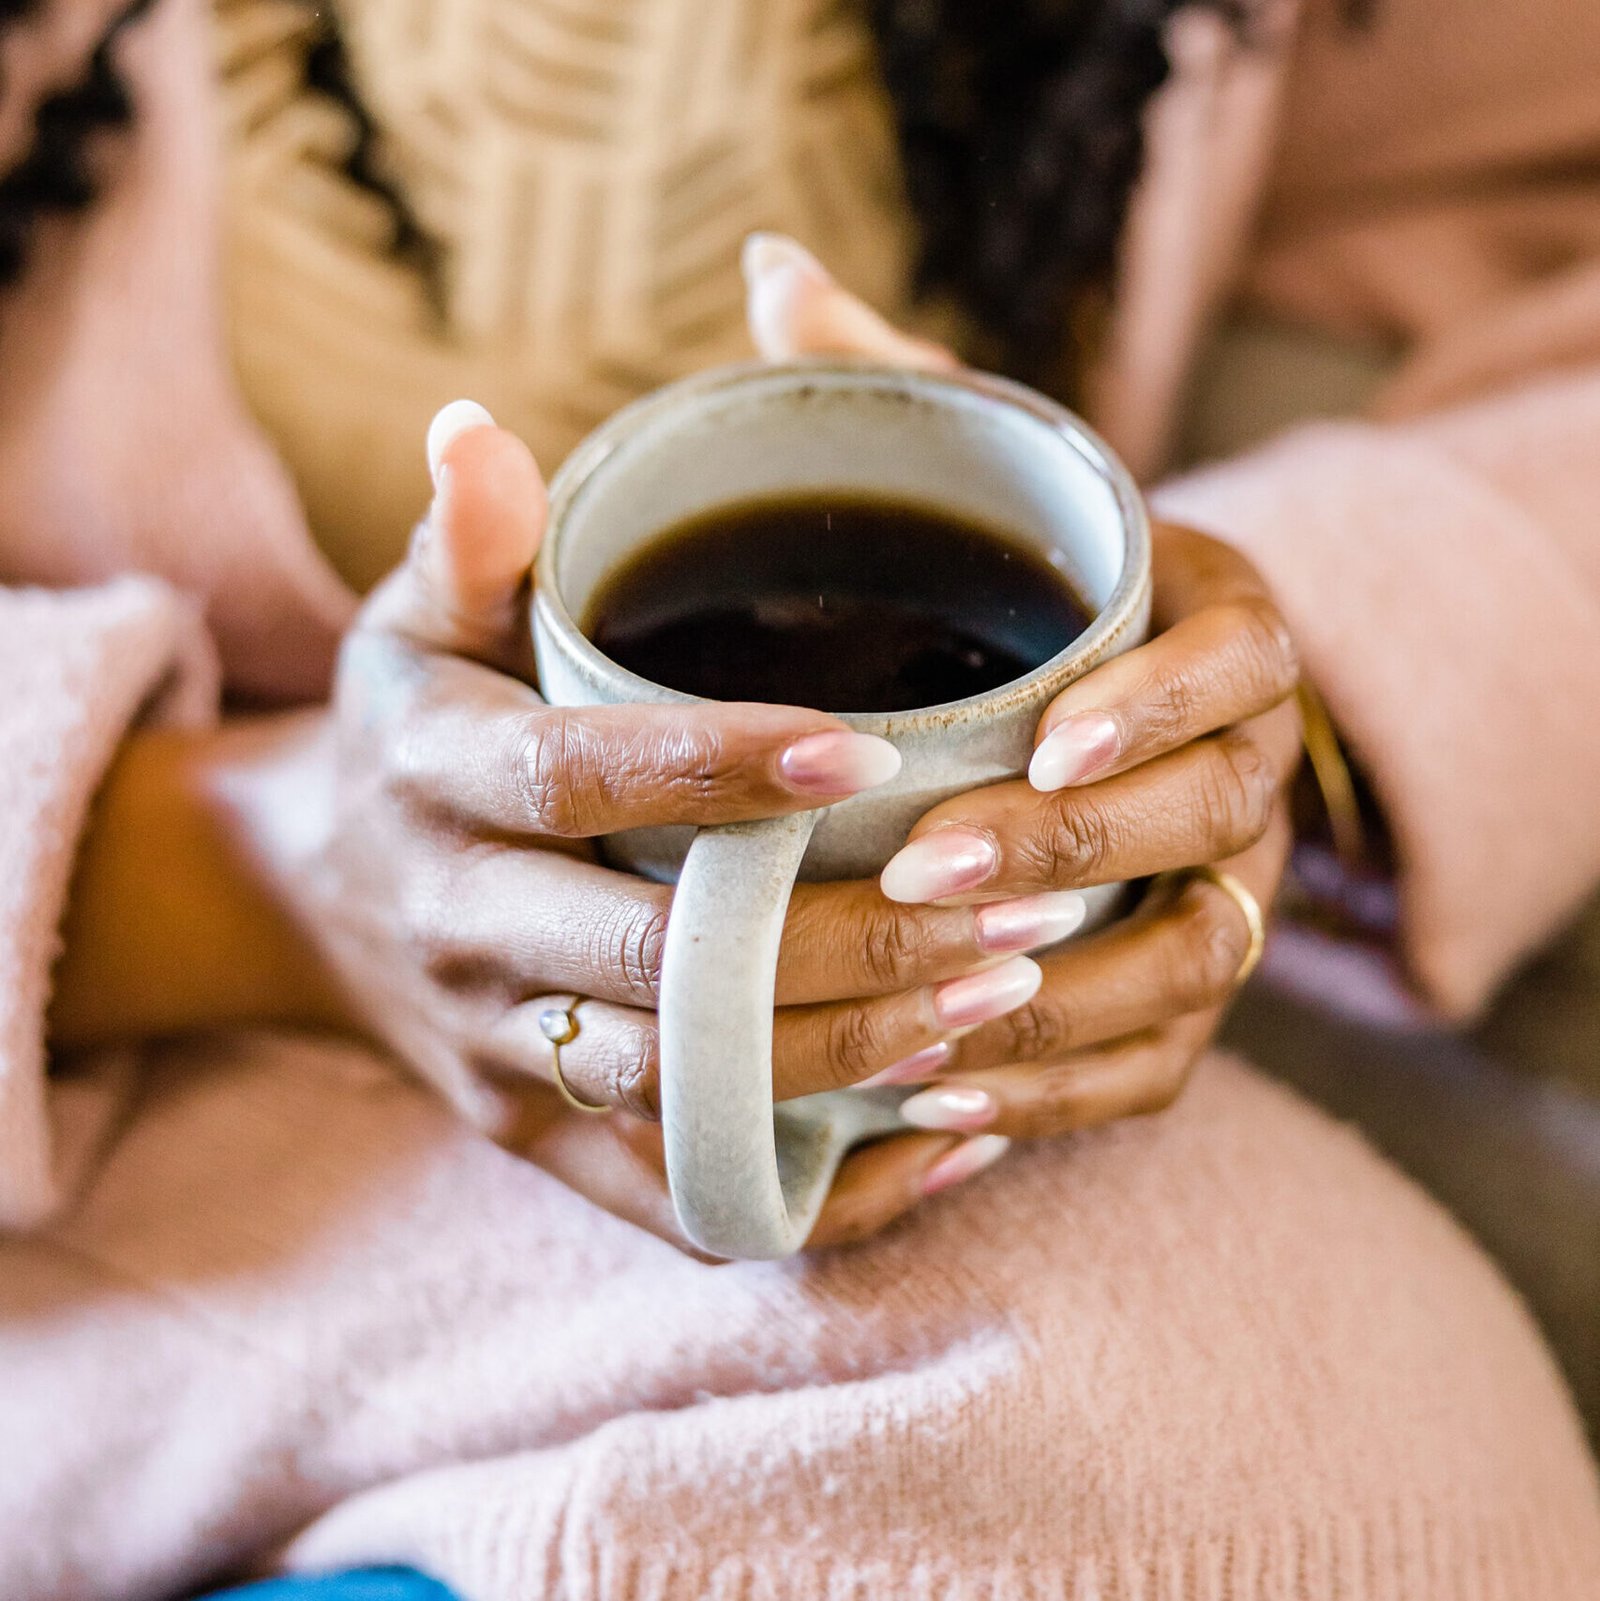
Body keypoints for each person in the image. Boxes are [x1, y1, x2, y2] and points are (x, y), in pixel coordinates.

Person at [1, 1, 1598, 1597]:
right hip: (124, 1067)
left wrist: (1265, 702)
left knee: (1329, 1465)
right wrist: (265, 859)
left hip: (906, 1077)